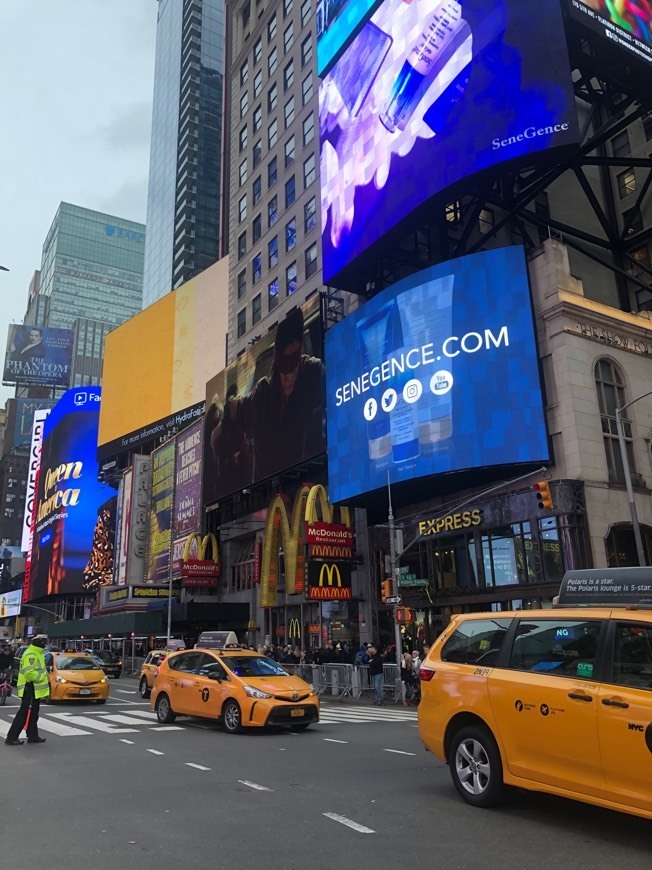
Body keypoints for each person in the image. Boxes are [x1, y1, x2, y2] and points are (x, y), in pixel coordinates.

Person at [5, 634, 49, 746]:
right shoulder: (31, 654)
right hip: (30, 688)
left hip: (34, 689)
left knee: (34, 713)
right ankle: (11, 737)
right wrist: (43, 676)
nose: (45, 644)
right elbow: (30, 673)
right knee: (23, 714)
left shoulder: (37, 653)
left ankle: (33, 736)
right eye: (43, 642)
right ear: (38, 642)